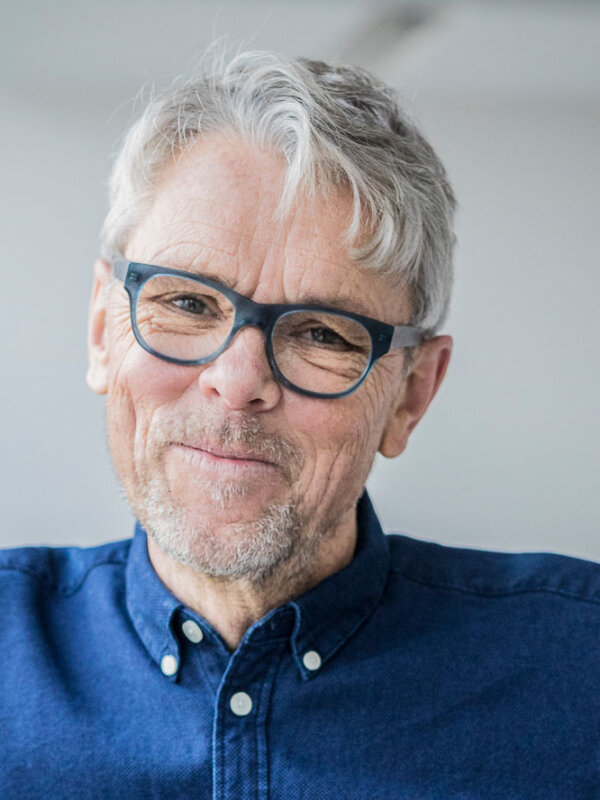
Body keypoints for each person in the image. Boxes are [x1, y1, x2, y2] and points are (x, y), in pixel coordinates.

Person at [1, 49, 598, 800]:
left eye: (321, 333)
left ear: (411, 395)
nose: (238, 383)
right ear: (101, 330)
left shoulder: (581, 671)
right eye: (187, 303)